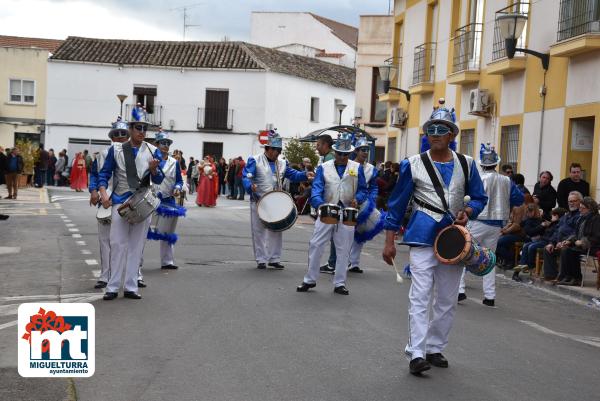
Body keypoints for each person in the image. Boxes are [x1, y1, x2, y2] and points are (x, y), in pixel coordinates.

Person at [382, 105, 487, 375]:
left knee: (448, 298)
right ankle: (416, 352)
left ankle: (435, 346)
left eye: (442, 129)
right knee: (419, 295)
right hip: (421, 236)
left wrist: (469, 211)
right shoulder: (412, 164)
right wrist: (389, 240)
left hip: (453, 239)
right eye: (431, 129)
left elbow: (479, 197)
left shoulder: (468, 164)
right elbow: (396, 204)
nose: (436, 134)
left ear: (452, 134)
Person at [97, 106, 164, 300]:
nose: (142, 132)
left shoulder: (153, 151)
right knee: (117, 244)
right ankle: (112, 286)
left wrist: (153, 171)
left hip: (142, 203)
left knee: (136, 246)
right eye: (138, 128)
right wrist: (103, 193)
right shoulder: (116, 149)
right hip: (120, 201)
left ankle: (131, 286)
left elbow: (158, 179)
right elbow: (104, 174)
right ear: (131, 129)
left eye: (144, 128)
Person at [297, 132, 367, 295]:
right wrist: (319, 204)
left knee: (344, 249)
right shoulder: (323, 167)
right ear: (334, 152)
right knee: (316, 244)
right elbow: (316, 189)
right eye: (339, 153)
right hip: (327, 210)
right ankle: (309, 279)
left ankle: (339, 283)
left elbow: (363, 189)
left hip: (347, 213)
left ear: (350, 153)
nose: (342, 156)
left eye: (345, 154)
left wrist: (358, 198)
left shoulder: (357, 168)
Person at [458, 144, 524, 306]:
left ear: (481, 164)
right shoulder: (507, 181)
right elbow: (518, 200)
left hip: (477, 221)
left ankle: (459, 290)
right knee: (490, 259)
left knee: (463, 254)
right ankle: (489, 296)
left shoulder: (477, 179)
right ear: (496, 163)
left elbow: (465, 198)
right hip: (497, 225)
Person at [243, 130, 311, 269]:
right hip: (259, 200)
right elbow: (246, 176)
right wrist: (250, 186)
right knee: (258, 230)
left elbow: (294, 175)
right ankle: (261, 259)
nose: (277, 153)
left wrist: (306, 175)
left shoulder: (282, 163)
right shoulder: (254, 160)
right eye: (275, 150)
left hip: (276, 201)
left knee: (276, 230)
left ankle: (274, 258)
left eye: (279, 150)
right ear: (268, 149)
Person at [89, 118, 130, 289]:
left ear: (128, 136)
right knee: (105, 241)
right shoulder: (101, 155)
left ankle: (134, 275)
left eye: (123, 135)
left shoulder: (136, 154)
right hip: (106, 202)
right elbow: (95, 175)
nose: (120, 138)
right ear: (112, 137)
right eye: (116, 135)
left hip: (126, 202)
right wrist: (93, 191)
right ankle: (105, 276)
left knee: (129, 241)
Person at [146, 130, 185, 270]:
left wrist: (178, 188)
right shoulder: (149, 159)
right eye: (163, 143)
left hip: (168, 200)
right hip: (150, 199)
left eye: (167, 143)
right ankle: (137, 262)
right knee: (143, 231)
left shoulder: (174, 162)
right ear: (156, 144)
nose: (165, 146)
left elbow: (179, 181)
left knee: (168, 232)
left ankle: (167, 261)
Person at [348, 136, 383, 273]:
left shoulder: (371, 169)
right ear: (356, 151)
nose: (365, 152)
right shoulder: (349, 164)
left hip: (365, 205)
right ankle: (339, 261)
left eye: (367, 150)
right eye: (362, 149)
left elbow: (373, 187)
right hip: (348, 202)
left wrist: (371, 200)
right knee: (346, 234)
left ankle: (354, 263)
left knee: (360, 234)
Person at [512, 206, 566, 281]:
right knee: (526, 246)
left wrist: (544, 226)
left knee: (531, 247)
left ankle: (531, 266)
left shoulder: (558, 224)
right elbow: (531, 231)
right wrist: (543, 226)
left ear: (556, 216)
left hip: (547, 242)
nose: (551, 217)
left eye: (552, 215)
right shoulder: (551, 223)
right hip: (542, 240)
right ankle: (517, 272)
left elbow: (553, 236)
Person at [555, 197, 600, 286]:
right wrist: (569, 241)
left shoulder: (596, 219)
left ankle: (577, 278)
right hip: (580, 245)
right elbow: (576, 234)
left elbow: (597, 237)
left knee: (572, 251)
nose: (580, 210)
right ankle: (568, 276)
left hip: (593, 246)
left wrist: (583, 242)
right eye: (580, 208)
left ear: (590, 209)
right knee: (566, 248)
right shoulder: (581, 218)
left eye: (582, 208)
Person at [542, 191, 582, 281]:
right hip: (560, 242)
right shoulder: (566, 216)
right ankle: (551, 275)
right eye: (570, 201)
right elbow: (557, 230)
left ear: (580, 202)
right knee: (547, 248)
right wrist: (552, 242)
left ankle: (564, 276)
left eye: (574, 201)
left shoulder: (580, 216)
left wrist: (563, 241)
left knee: (565, 250)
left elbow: (576, 233)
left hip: (573, 243)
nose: (572, 203)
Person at [314, 133, 338, 274]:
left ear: (325, 145)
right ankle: (334, 262)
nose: (317, 148)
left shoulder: (329, 159)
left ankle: (333, 263)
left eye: (318, 145)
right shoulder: (327, 158)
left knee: (332, 235)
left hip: (331, 202)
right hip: (331, 200)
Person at [495, 194, 534, 268]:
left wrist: (504, 231)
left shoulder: (522, 208)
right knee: (498, 241)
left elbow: (517, 225)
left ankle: (510, 259)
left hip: (521, 234)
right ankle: (507, 259)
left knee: (498, 242)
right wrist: (503, 230)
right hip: (514, 233)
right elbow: (511, 222)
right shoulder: (517, 207)